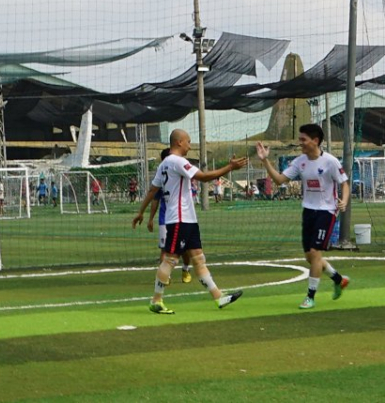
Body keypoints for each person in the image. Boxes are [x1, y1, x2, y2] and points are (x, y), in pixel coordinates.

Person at [133, 129, 247, 314]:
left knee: (198, 259)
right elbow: (202, 177)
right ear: (179, 142)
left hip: (188, 219)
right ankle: (156, 299)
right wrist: (229, 168)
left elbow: (152, 191)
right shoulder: (177, 161)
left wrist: (140, 212)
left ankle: (218, 297)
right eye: (188, 141)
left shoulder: (163, 165)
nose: (189, 145)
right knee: (170, 259)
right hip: (179, 218)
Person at [256, 123, 350, 309]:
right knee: (310, 257)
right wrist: (265, 161)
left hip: (327, 211)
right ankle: (339, 279)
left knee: (315, 253)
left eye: (303, 140)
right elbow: (280, 180)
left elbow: (344, 183)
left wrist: (344, 201)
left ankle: (310, 296)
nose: (300, 143)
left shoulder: (330, 161)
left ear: (315, 141)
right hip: (308, 211)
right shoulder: (300, 161)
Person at [147, 148, 191, 284]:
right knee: (164, 249)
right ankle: (166, 275)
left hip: (181, 217)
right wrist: (150, 219)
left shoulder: (180, 176)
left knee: (184, 248)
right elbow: (154, 200)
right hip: (164, 219)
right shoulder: (161, 177)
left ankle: (185, 269)